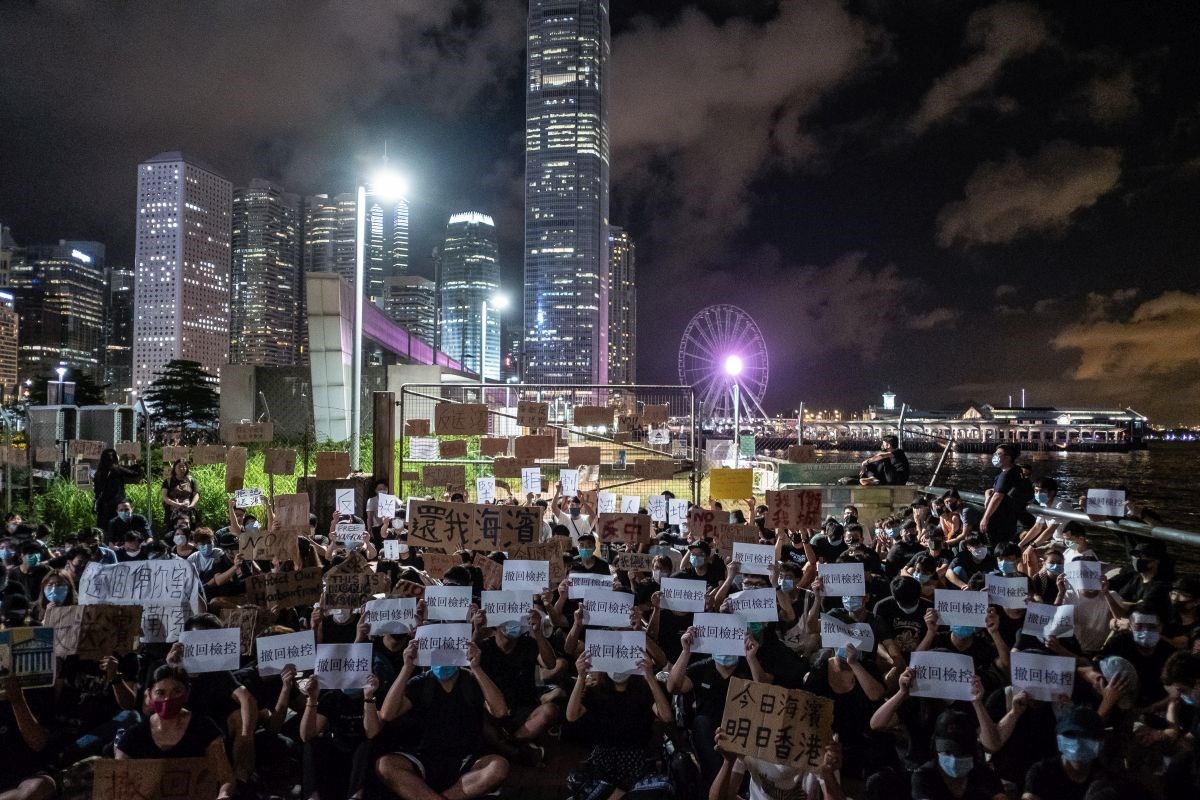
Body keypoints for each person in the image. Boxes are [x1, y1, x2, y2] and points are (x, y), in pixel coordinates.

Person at [376, 639, 511, 799]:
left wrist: (476, 668)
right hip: (426, 757)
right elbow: (387, 714)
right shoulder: (421, 683)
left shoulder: (471, 680)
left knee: (498, 767)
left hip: (466, 759)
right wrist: (406, 669)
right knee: (385, 765)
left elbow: (500, 711)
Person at [114, 665, 236, 800]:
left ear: (187, 693)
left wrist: (223, 795)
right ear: (149, 695)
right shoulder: (135, 735)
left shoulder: (204, 728)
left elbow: (226, 778)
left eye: (176, 691)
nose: (168, 699)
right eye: (161, 693)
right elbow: (118, 783)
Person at [565, 651, 673, 796]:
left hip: (636, 760)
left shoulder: (643, 691)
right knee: (575, 779)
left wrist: (649, 677)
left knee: (664, 786)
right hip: (602, 760)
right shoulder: (596, 690)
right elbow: (571, 716)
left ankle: (612, 795)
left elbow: (666, 716)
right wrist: (581, 676)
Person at [911, 708, 1006, 800]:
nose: (954, 759)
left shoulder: (986, 776)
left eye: (962, 754)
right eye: (947, 753)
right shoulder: (924, 777)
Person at [1022, 706, 1110, 800]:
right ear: (1059, 740)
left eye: (1085, 736)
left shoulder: (1106, 777)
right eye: (1070, 735)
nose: (1077, 743)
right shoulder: (1041, 772)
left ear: (1101, 743)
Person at [91, 448, 140, 528]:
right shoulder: (117, 469)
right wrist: (135, 462)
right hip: (117, 504)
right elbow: (135, 474)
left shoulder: (98, 473)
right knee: (118, 528)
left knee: (104, 529)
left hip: (103, 506)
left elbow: (96, 491)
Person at [160, 459, 200, 528]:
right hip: (172, 513)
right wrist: (177, 504)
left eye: (184, 466)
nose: (182, 468)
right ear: (174, 468)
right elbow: (164, 496)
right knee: (172, 533)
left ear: (187, 468)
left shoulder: (192, 480)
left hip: (189, 512)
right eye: (179, 466)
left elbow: (196, 494)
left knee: (190, 533)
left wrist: (191, 505)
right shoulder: (168, 481)